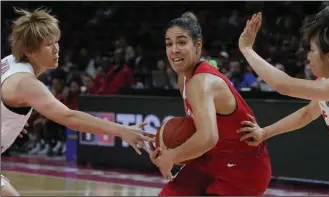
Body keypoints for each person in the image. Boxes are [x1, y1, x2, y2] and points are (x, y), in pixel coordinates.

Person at [1, 8, 153, 196]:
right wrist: (121, 130)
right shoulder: (27, 83)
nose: (57, 49)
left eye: (56, 42)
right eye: (49, 45)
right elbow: (69, 117)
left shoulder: (9, 62)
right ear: (30, 51)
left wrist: (8, 119)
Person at [238, 6, 329, 196]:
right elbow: (307, 113)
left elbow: (284, 85)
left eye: (312, 50)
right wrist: (264, 133)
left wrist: (246, 49)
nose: (308, 56)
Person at [149, 12, 271, 196]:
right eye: (169, 44)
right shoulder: (184, 79)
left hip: (243, 170)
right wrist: (163, 150)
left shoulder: (202, 82)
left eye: (181, 42)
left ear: (197, 45)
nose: (173, 49)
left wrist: (172, 156)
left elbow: (208, 137)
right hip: (212, 159)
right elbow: (194, 131)